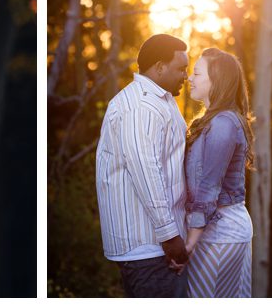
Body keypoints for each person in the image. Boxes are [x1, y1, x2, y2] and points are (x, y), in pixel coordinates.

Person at [95, 33, 190, 297]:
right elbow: (146, 172)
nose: (185, 75)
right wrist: (170, 236)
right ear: (159, 67)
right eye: (180, 68)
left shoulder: (159, 100)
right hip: (149, 248)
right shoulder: (140, 107)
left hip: (157, 247)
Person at [183, 48, 254, 297]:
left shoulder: (223, 123)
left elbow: (209, 186)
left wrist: (190, 242)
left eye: (197, 73)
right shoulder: (213, 121)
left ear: (217, 80)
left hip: (221, 233)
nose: (189, 78)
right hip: (213, 231)